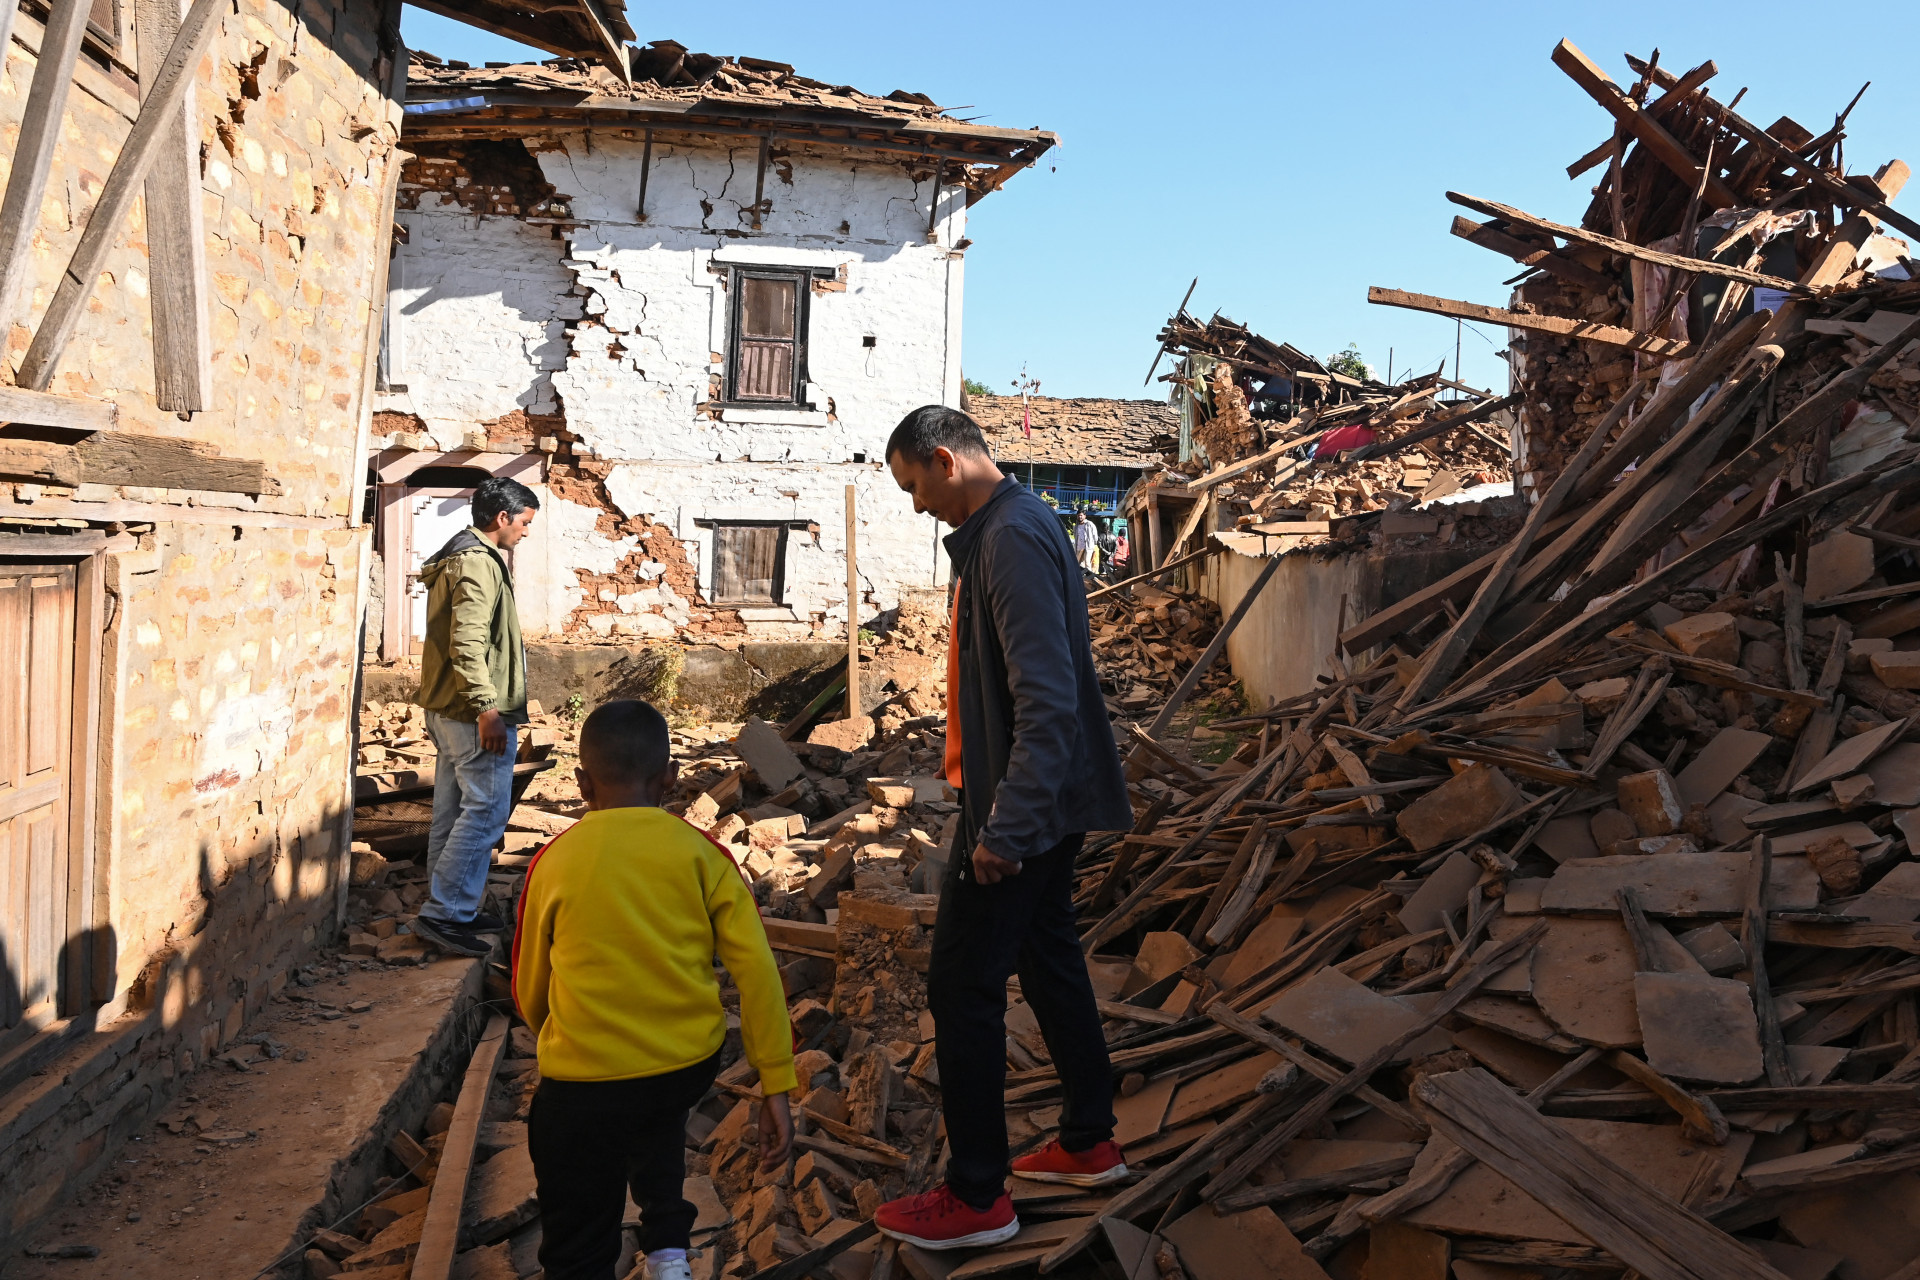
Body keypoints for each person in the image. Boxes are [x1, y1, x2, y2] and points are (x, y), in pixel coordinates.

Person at [875, 406, 1133, 1250]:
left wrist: (1004, 830)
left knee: (962, 989)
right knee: (1048, 953)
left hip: (1021, 808)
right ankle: (1090, 1139)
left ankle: (978, 1192)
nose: (916, 508)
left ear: (944, 461)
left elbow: (1048, 702)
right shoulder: (1012, 527)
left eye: (914, 487)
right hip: (1032, 799)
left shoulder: (1010, 537)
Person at [514, 699, 796, 1280]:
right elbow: (758, 974)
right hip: (683, 1065)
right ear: (670, 778)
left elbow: (530, 990)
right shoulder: (703, 856)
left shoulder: (552, 862)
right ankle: (668, 1249)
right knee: (654, 1115)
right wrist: (776, 1085)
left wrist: (561, 1036)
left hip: (583, 1079)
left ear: (581, 783)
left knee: (576, 1208)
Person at [412, 476, 539, 959]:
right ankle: (445, 913)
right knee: (485, 809)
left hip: (448, 707)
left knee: (452, 807)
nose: (526, 532)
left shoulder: (459, 555)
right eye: (524, 523)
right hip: (472, 711)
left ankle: (450, 907)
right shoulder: (478, 563)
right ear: (501, 518)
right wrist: (488, 708)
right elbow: (467, 643)